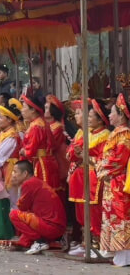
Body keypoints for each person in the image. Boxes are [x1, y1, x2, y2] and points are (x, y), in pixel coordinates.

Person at [66, 98, 111, 258]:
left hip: (95, 178)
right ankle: (87, 243)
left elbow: (103, 159)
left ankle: (97, 244)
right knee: (82, 212)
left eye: (91, 116)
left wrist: (84, 156)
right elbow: (72, 155)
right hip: (84, 176)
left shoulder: (105, 136)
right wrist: (77, 153)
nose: (88, 119)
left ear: (100, 119)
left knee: (95, 212)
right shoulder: (86, 134)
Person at [97, 93, 130, 267]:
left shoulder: (125, 135)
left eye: (112, 112)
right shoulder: (116, 133)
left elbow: (119, 160)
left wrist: (102, 167)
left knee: (121, 217)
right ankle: (116, 252)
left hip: (120, 181)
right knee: (112, 217)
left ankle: (125, 256)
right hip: (113, 181)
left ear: (121, 115)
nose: (109, 115)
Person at [8, 160, 66, 254]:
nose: (13, 175)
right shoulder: (35, 181)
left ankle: (40, 241)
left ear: (25, 173)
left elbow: (22, 207)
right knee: (27, 215)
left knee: (13, 214)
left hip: (51, 227)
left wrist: (16, 186)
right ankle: (33, 241)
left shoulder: (29, 183)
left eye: (15, 172)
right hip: (55, 227)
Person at [19, 95, 60, 192]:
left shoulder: (36, 126)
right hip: (46, 161)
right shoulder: (40, 122)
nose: (22, 110)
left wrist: (23, 151)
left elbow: (30, 150)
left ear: (33, 110)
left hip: (41, 164)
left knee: (42, 191)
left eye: (24, 107)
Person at [0, 102, 22, 207]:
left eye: (1, 117)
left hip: (11, 169)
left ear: (9, 120)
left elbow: (0, 155)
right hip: (4, 168)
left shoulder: (11, 135)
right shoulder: (3, 133)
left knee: (14, 201)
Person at [45, 95, 70, 196]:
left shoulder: (57, 127)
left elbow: (51, 145)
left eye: (47, 108)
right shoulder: (48, 125)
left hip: (57, 161)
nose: (44, 110)